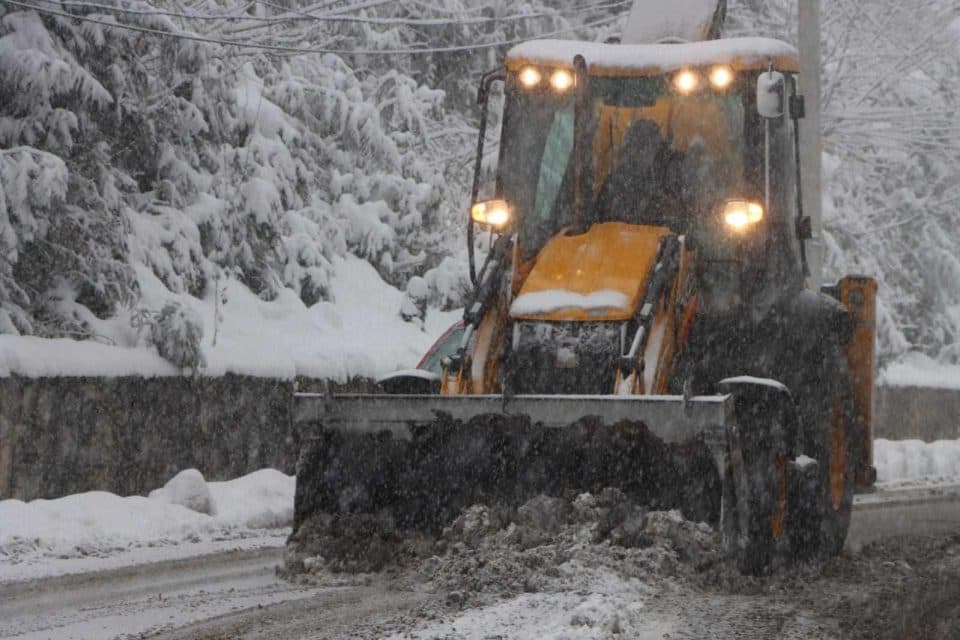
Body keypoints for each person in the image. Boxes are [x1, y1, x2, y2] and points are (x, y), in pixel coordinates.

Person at [594, 118, 689, 230]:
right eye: (638, 145)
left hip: (666, 242)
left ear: (658, 145)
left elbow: (687, 217)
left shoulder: (674, 172)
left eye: (649, 144)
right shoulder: (616, 182)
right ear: (630, 148)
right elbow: (600, 221)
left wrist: (668, 208)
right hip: (620, 242)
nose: (643, 151)